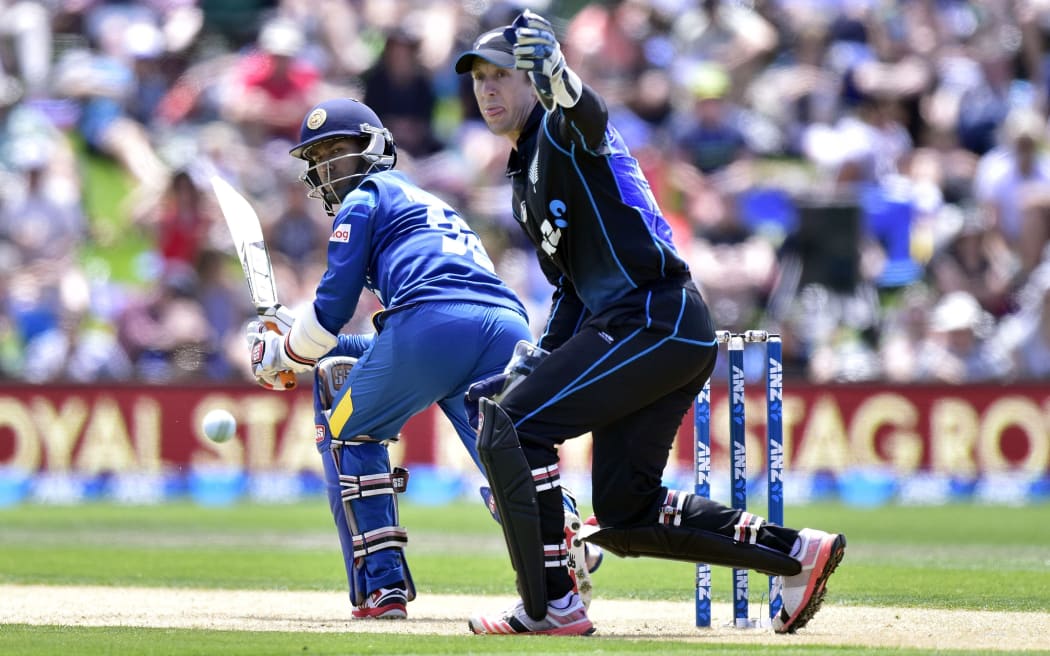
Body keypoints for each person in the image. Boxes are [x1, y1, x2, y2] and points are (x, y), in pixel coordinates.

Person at [455, 10, 846, 636]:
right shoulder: (524, 176)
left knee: (516, 426)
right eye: (477, 80)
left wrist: (559, 74)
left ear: (531, 81)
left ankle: (550, 605)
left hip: (652, 315)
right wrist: (532, 360)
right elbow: (571, 293)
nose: (488, 89)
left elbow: (589, 119)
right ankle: (796, 554)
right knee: (622, 512)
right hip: (654, 329)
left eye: (502, 75)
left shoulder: (557, 131)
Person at [244, 98, 594, 621]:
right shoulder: (427, 202)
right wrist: (296, 344)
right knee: (508, 459)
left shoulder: (362, 200)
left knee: (349, 432)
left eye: (338, 151)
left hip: (431, 325)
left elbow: (334, 310)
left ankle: (381, 589)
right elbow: (379, 344)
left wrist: (288, 352)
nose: (326, 167)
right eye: (318, 157)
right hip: (505, 323)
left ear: (374, 150)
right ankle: (568, 536)